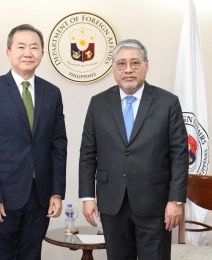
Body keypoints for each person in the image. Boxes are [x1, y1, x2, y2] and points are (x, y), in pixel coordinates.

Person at [79, 39, 188, 260]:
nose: (128, 69)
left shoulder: (167, 103)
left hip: (155, 204)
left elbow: (179, 155)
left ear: (146, 66)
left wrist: (175, 201)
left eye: (135, 63)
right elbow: (88, 153)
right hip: (112, 203)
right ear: (113, 69)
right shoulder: (98, 103)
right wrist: (88, 197)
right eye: (121, 64)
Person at [0, 24, 67, 260]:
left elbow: (58, 145)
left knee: (31, 255)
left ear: (42, 54)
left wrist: (57, 192)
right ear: (9, 52)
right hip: (2, 196)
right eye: (21, 46)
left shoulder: (52, 93)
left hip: (40, 196)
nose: (28, 52)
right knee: (2, 255)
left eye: (34, 47)